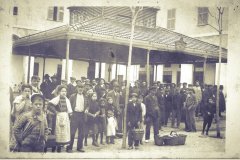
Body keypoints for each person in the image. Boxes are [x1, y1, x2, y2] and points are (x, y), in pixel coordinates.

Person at [47, 85, 72, 152]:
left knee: (64, 132)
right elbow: (49, 105)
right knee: (58, 131)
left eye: (65, 91)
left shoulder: (67, 99)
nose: (64, 92)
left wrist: (70, 114)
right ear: (59, 92)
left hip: (65, 116)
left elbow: (69, 109)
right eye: (62, 91)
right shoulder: (57, 98)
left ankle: (61, 146)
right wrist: (55, 111)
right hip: (58, 117)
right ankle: (56, 147)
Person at [66, 83, 87, 153]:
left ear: (83, 89)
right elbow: (68, 105)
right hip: (74, 115)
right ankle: (69, 147)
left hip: (82, 115)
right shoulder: (72, 96)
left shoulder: (85, 97)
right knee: (72, 132)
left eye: (82, 87)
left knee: (81, 133)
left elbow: (88, 105)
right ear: (77, 88)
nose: (80, 89)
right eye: (79, 87)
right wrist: (70, 113)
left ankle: (79, 147)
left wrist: (87, 109)